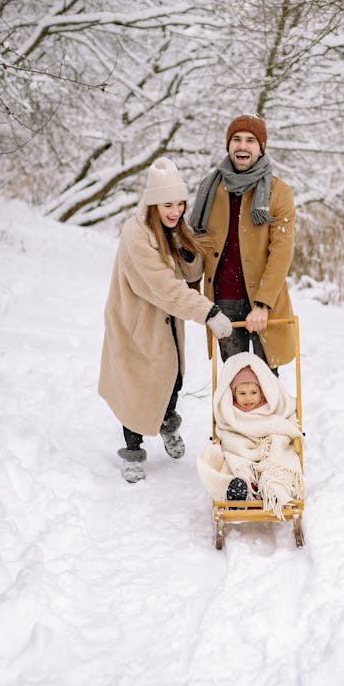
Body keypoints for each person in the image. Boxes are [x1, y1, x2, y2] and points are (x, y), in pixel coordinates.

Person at [98, 157, 232, 482]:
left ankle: (166, 421)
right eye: (167, 204)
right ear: (153, 202)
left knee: (172, 380)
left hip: (167, 325)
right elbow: (163, 287)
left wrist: (188, 249)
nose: (175, 211)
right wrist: (208, 312)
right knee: (136, 388)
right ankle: (133, 452)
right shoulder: (136, 234)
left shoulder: (172, 227)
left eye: (180, 204)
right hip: (136, 325)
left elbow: (189, 273)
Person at [189, 113, 296, 371]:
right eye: (236, 139)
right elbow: (198, 243)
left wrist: (262, 304)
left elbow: (281, 253)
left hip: (263, 300)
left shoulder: (278, 192)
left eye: (250, 140)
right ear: (228, 146)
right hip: (223, 300)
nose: (242, 145)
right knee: (235, 380)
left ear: (261, 148)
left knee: (265, 381)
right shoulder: (210, 189)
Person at [197, 352, 304, 518]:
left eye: (254, 392)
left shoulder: (271, 407)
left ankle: (272, 488)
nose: (248, 398)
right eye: (242, 393)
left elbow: (286, 424)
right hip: (240, 451)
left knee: (276, 459)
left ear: (263, 391)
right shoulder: (230, 413)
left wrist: (280, 436)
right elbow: (225, 433)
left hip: (267, 450)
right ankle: (239, 489)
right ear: (233, 394)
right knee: (224, 461)